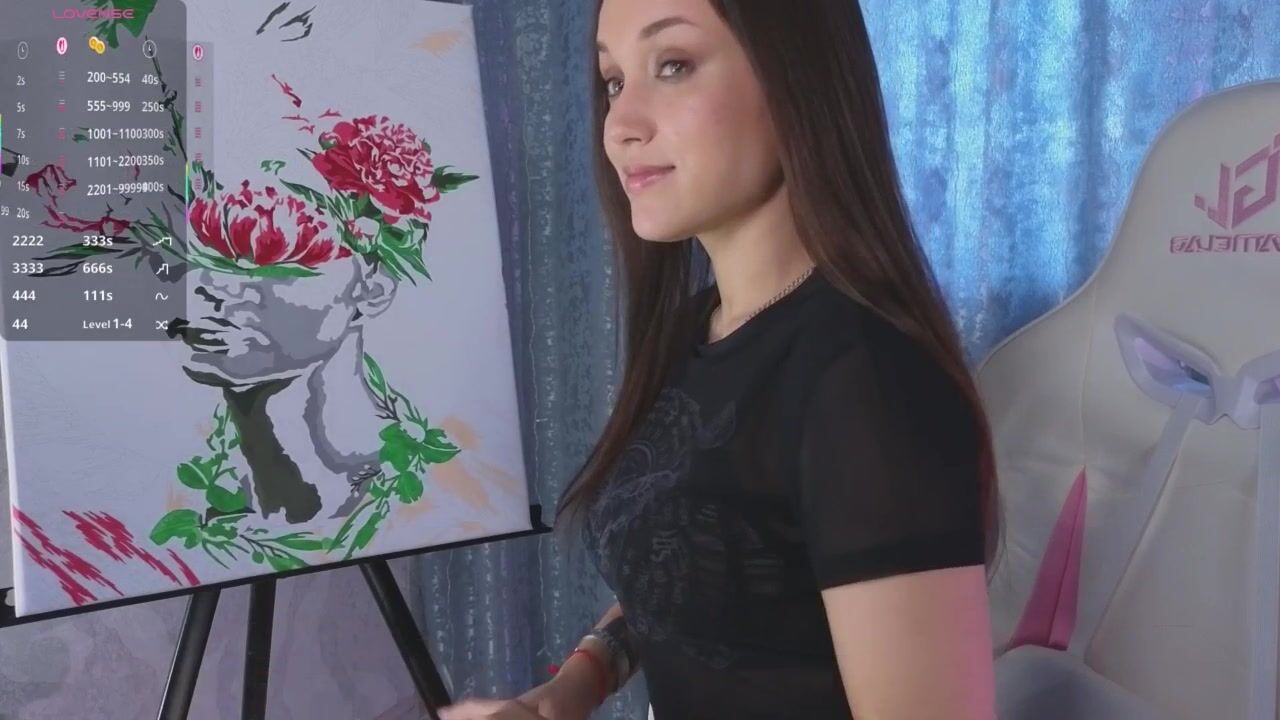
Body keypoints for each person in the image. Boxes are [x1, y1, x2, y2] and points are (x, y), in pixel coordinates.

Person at [442, 0, 1000, 718]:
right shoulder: (690, 330)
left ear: (794, 78)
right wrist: (570, 689)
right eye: (613, 81)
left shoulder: (870, 380)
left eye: (673, 66)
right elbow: (701, 578)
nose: (620, 124)